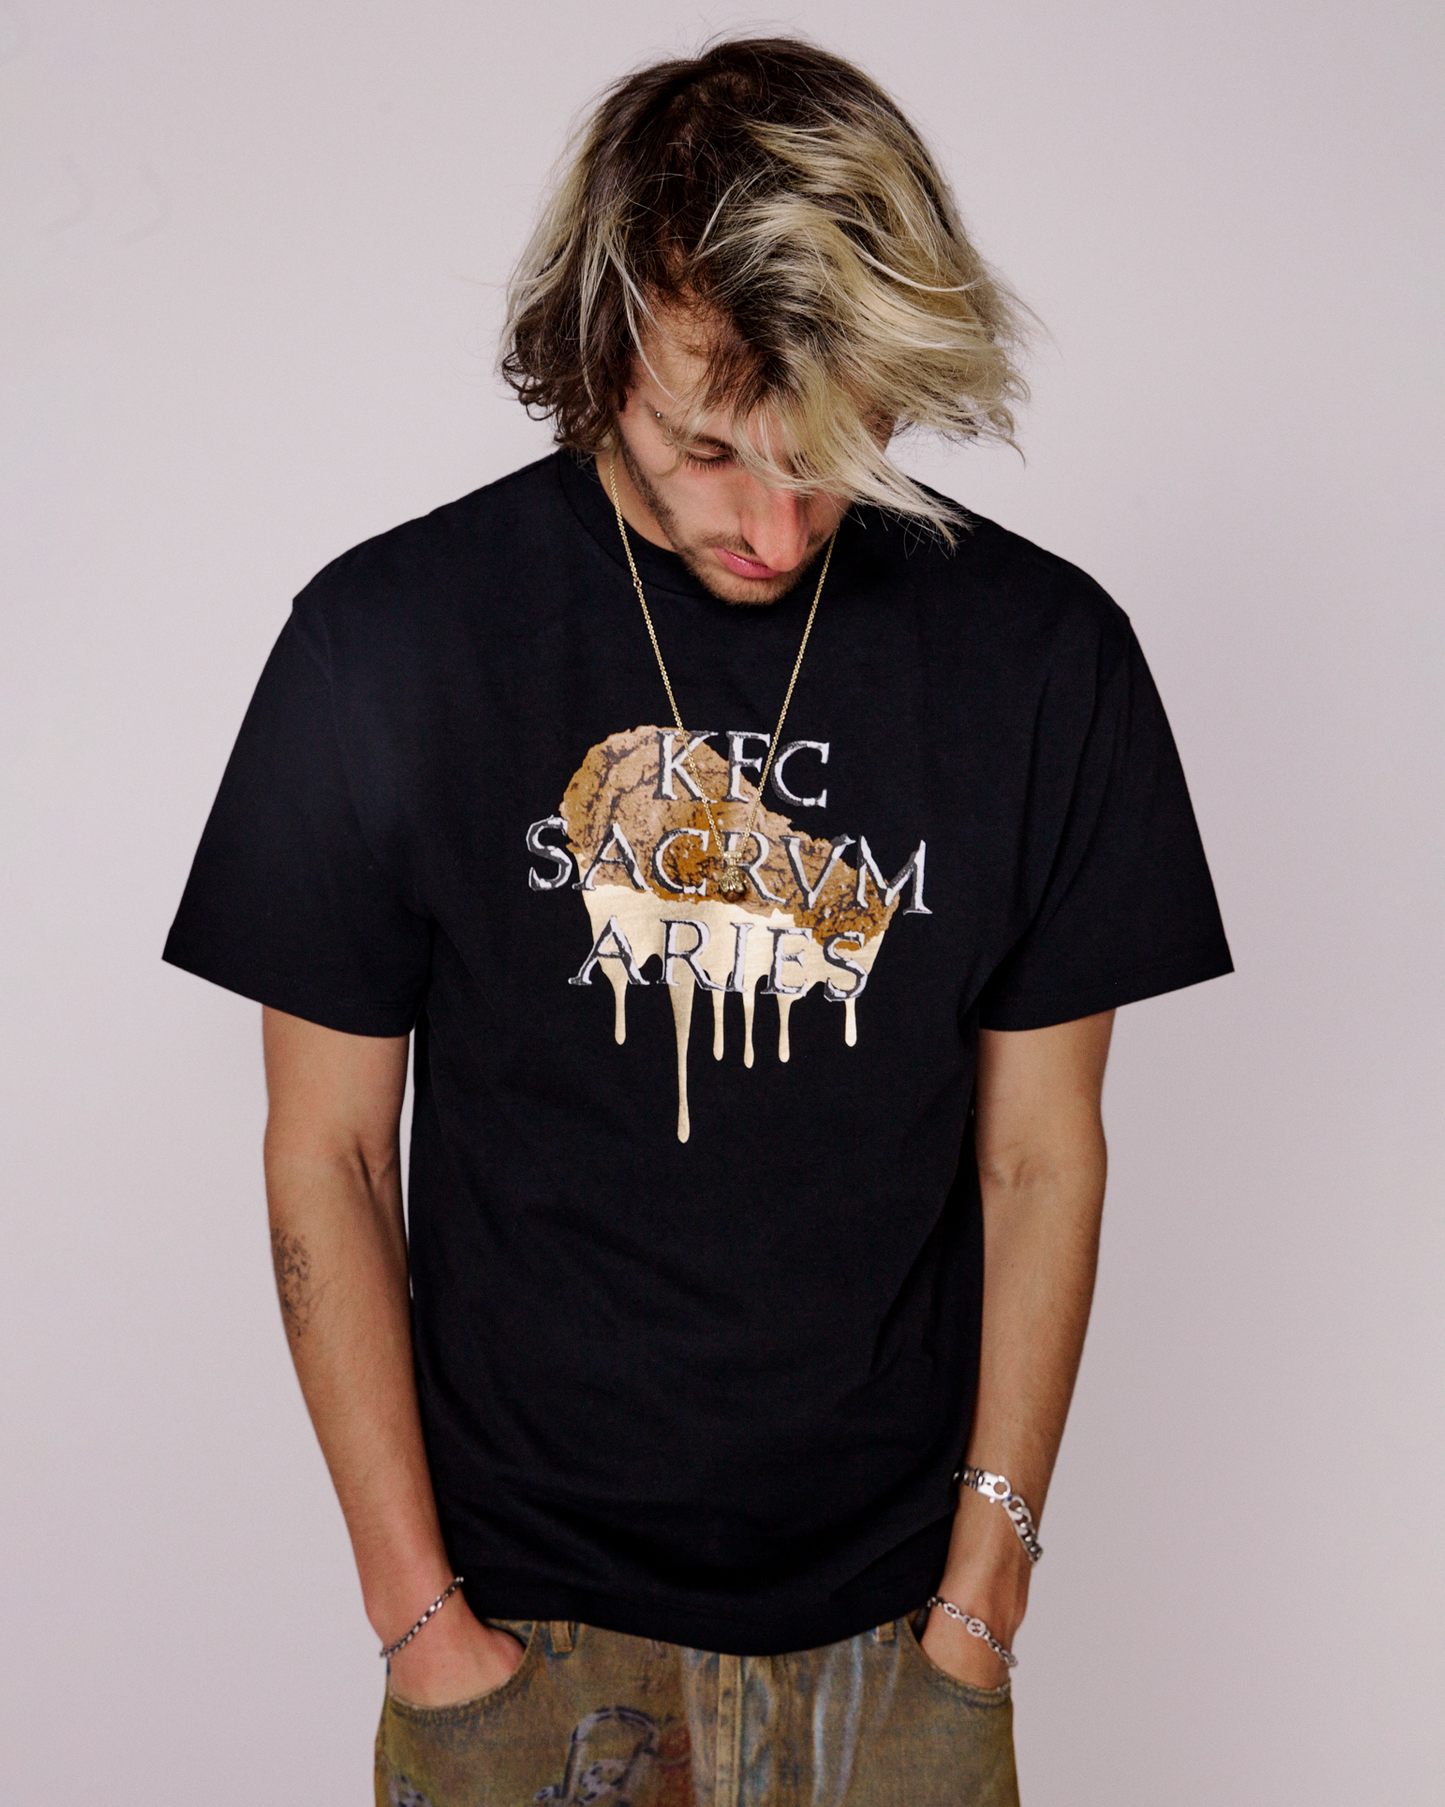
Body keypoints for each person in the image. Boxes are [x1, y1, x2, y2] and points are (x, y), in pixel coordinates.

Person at [164, 36, 1231, 1807]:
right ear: (599, 355)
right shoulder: (390, 643)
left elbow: (1043, 1154)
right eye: (712, 449)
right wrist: (420, 1623)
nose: (782, 524)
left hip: (901, 1634)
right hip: (517, 1628)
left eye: (842, 445)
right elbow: (329, 1154)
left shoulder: (1047, 660)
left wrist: (983, 1603)